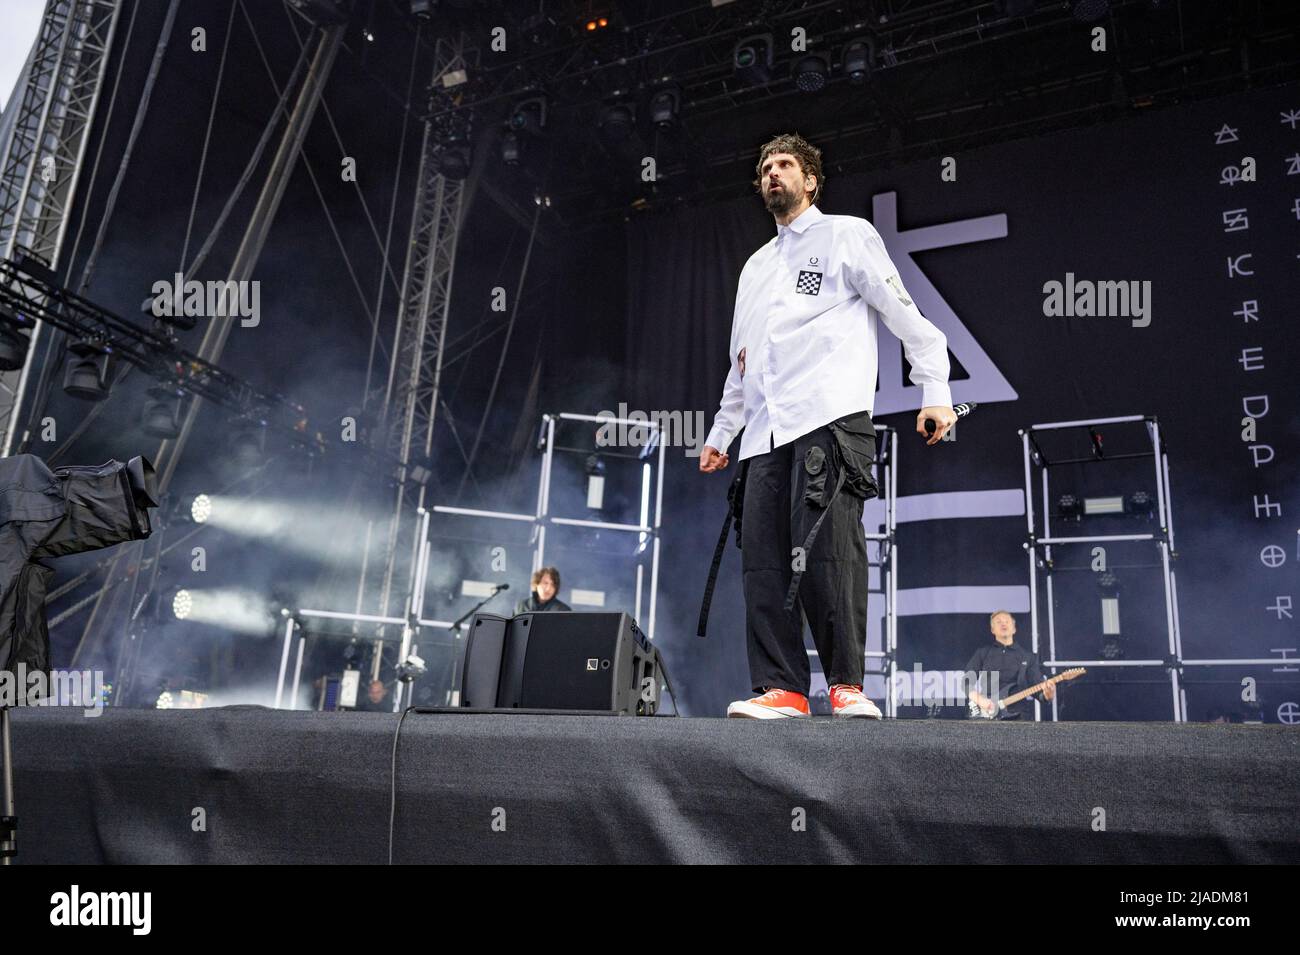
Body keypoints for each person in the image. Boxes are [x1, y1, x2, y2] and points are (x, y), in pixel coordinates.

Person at [700, 133, 956, 719]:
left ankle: (847, 685)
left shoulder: (847, 235)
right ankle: (783, 688)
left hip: (828, 418)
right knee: (763, 561)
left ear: (811, 180)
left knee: (830, 551)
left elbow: (902, 311)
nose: (772, 173)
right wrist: (721, 433)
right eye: (764, 166)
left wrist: (934, 389)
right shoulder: (755, 268)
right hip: (764, 434)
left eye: (785, 164)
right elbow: (743, 362)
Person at [965, 611, 1055, 720]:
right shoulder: (982, 653)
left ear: (1014, 629)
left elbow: (1039, 691)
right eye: (998, 622)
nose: (1003, 624)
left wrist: (1048, 695)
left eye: (1007, 621)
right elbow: (966, 682)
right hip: (987, 713)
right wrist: (980, 700)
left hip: (1019, 717)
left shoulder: (1028, 657)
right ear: (992, 630)